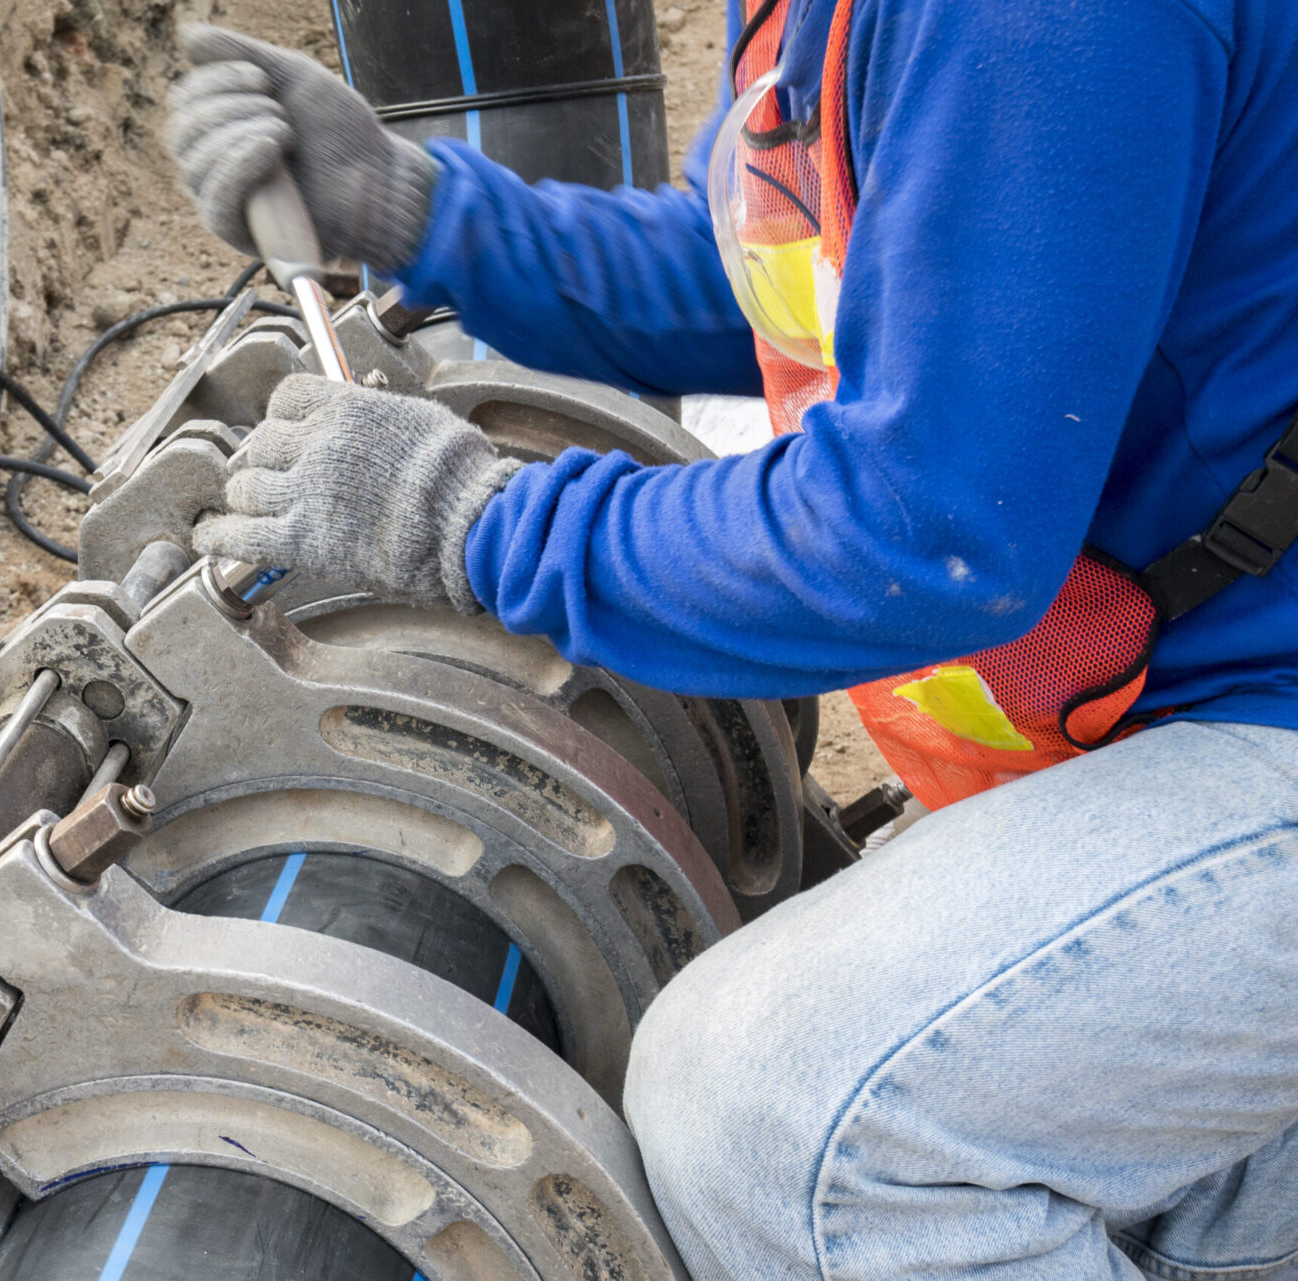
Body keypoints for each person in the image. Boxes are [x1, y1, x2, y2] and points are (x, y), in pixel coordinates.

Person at [165, 3, 1298, 1279]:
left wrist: (477, 523)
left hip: (1267, 705)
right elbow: (803, 282)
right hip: (1198, 690)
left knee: (779, 1118)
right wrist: (427, 213)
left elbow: (926, 535)